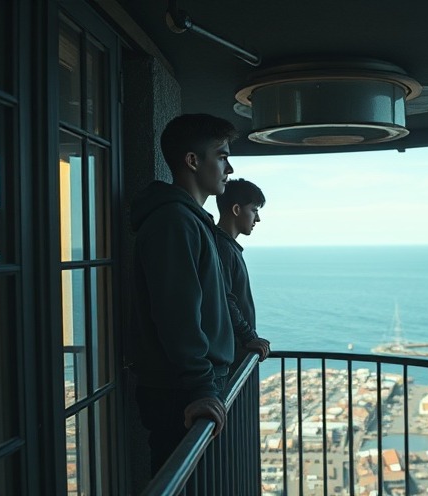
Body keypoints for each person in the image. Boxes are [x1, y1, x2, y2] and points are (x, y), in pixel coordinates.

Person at [129, 113, 238, 475]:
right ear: (193, 161)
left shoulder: (187, 219)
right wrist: (201, 388)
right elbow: (178, 314)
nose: (230, 167)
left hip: (188, 386)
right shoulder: (174, 221)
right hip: (182, 393)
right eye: (222, 156)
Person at [214, 179, 272, 364]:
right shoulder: (223, 247)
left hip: (233, 351)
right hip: (231, 356)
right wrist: (249, 337)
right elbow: (225, 298)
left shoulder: (225, 246)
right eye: (254, 210)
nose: (258, 219)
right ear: (237, 210)